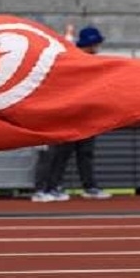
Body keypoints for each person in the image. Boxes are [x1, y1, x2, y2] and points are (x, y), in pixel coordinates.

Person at [31, 26, 112, 202]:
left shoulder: (91, 62)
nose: (98, 46)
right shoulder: (70, 59)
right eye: (96, 43)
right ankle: (44, 188)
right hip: (63, 114)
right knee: (55, 153)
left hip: (84, 114)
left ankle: (63, 186)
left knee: (82, 153)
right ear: (90, 43)